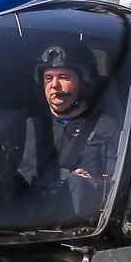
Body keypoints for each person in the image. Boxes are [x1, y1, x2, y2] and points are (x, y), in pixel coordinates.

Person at [18, 45, 121, 214]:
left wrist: (95, 184)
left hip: (83, 226)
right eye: (48, 78)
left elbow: (119, 183)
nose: (55, 85)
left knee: (77, 184)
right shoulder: (28, 128)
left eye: (64, 77)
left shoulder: (108, 128)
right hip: (28, 223)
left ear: (84, 83)